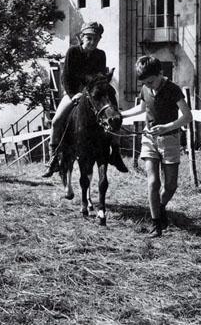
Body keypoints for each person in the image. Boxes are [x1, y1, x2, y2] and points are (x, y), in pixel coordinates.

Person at [42, 22, 128, 177]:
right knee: (56, 121)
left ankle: (115, 152)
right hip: (73, 93)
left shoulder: (100, 55)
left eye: (96, 39)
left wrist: (97, 90)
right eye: (89, 38)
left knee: (113, 115)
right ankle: (54, 157)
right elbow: (66, 77)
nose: (93, 42)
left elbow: (100, 78)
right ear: (82, 37)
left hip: (94, 94)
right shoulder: (73, 52)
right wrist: (73, 94)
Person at [120, 56, 193, 237]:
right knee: (153, 182)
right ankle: (156, 224)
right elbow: (142, 108)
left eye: (151, 81)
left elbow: (187, 116)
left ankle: (160, 208)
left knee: (170, 186)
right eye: (145, 83)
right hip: (149, 139)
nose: (149, 85)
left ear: (161, 73)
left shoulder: (173, 89)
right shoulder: (145, 88)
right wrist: (121, 115)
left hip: (170, 140)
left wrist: (166, 127)